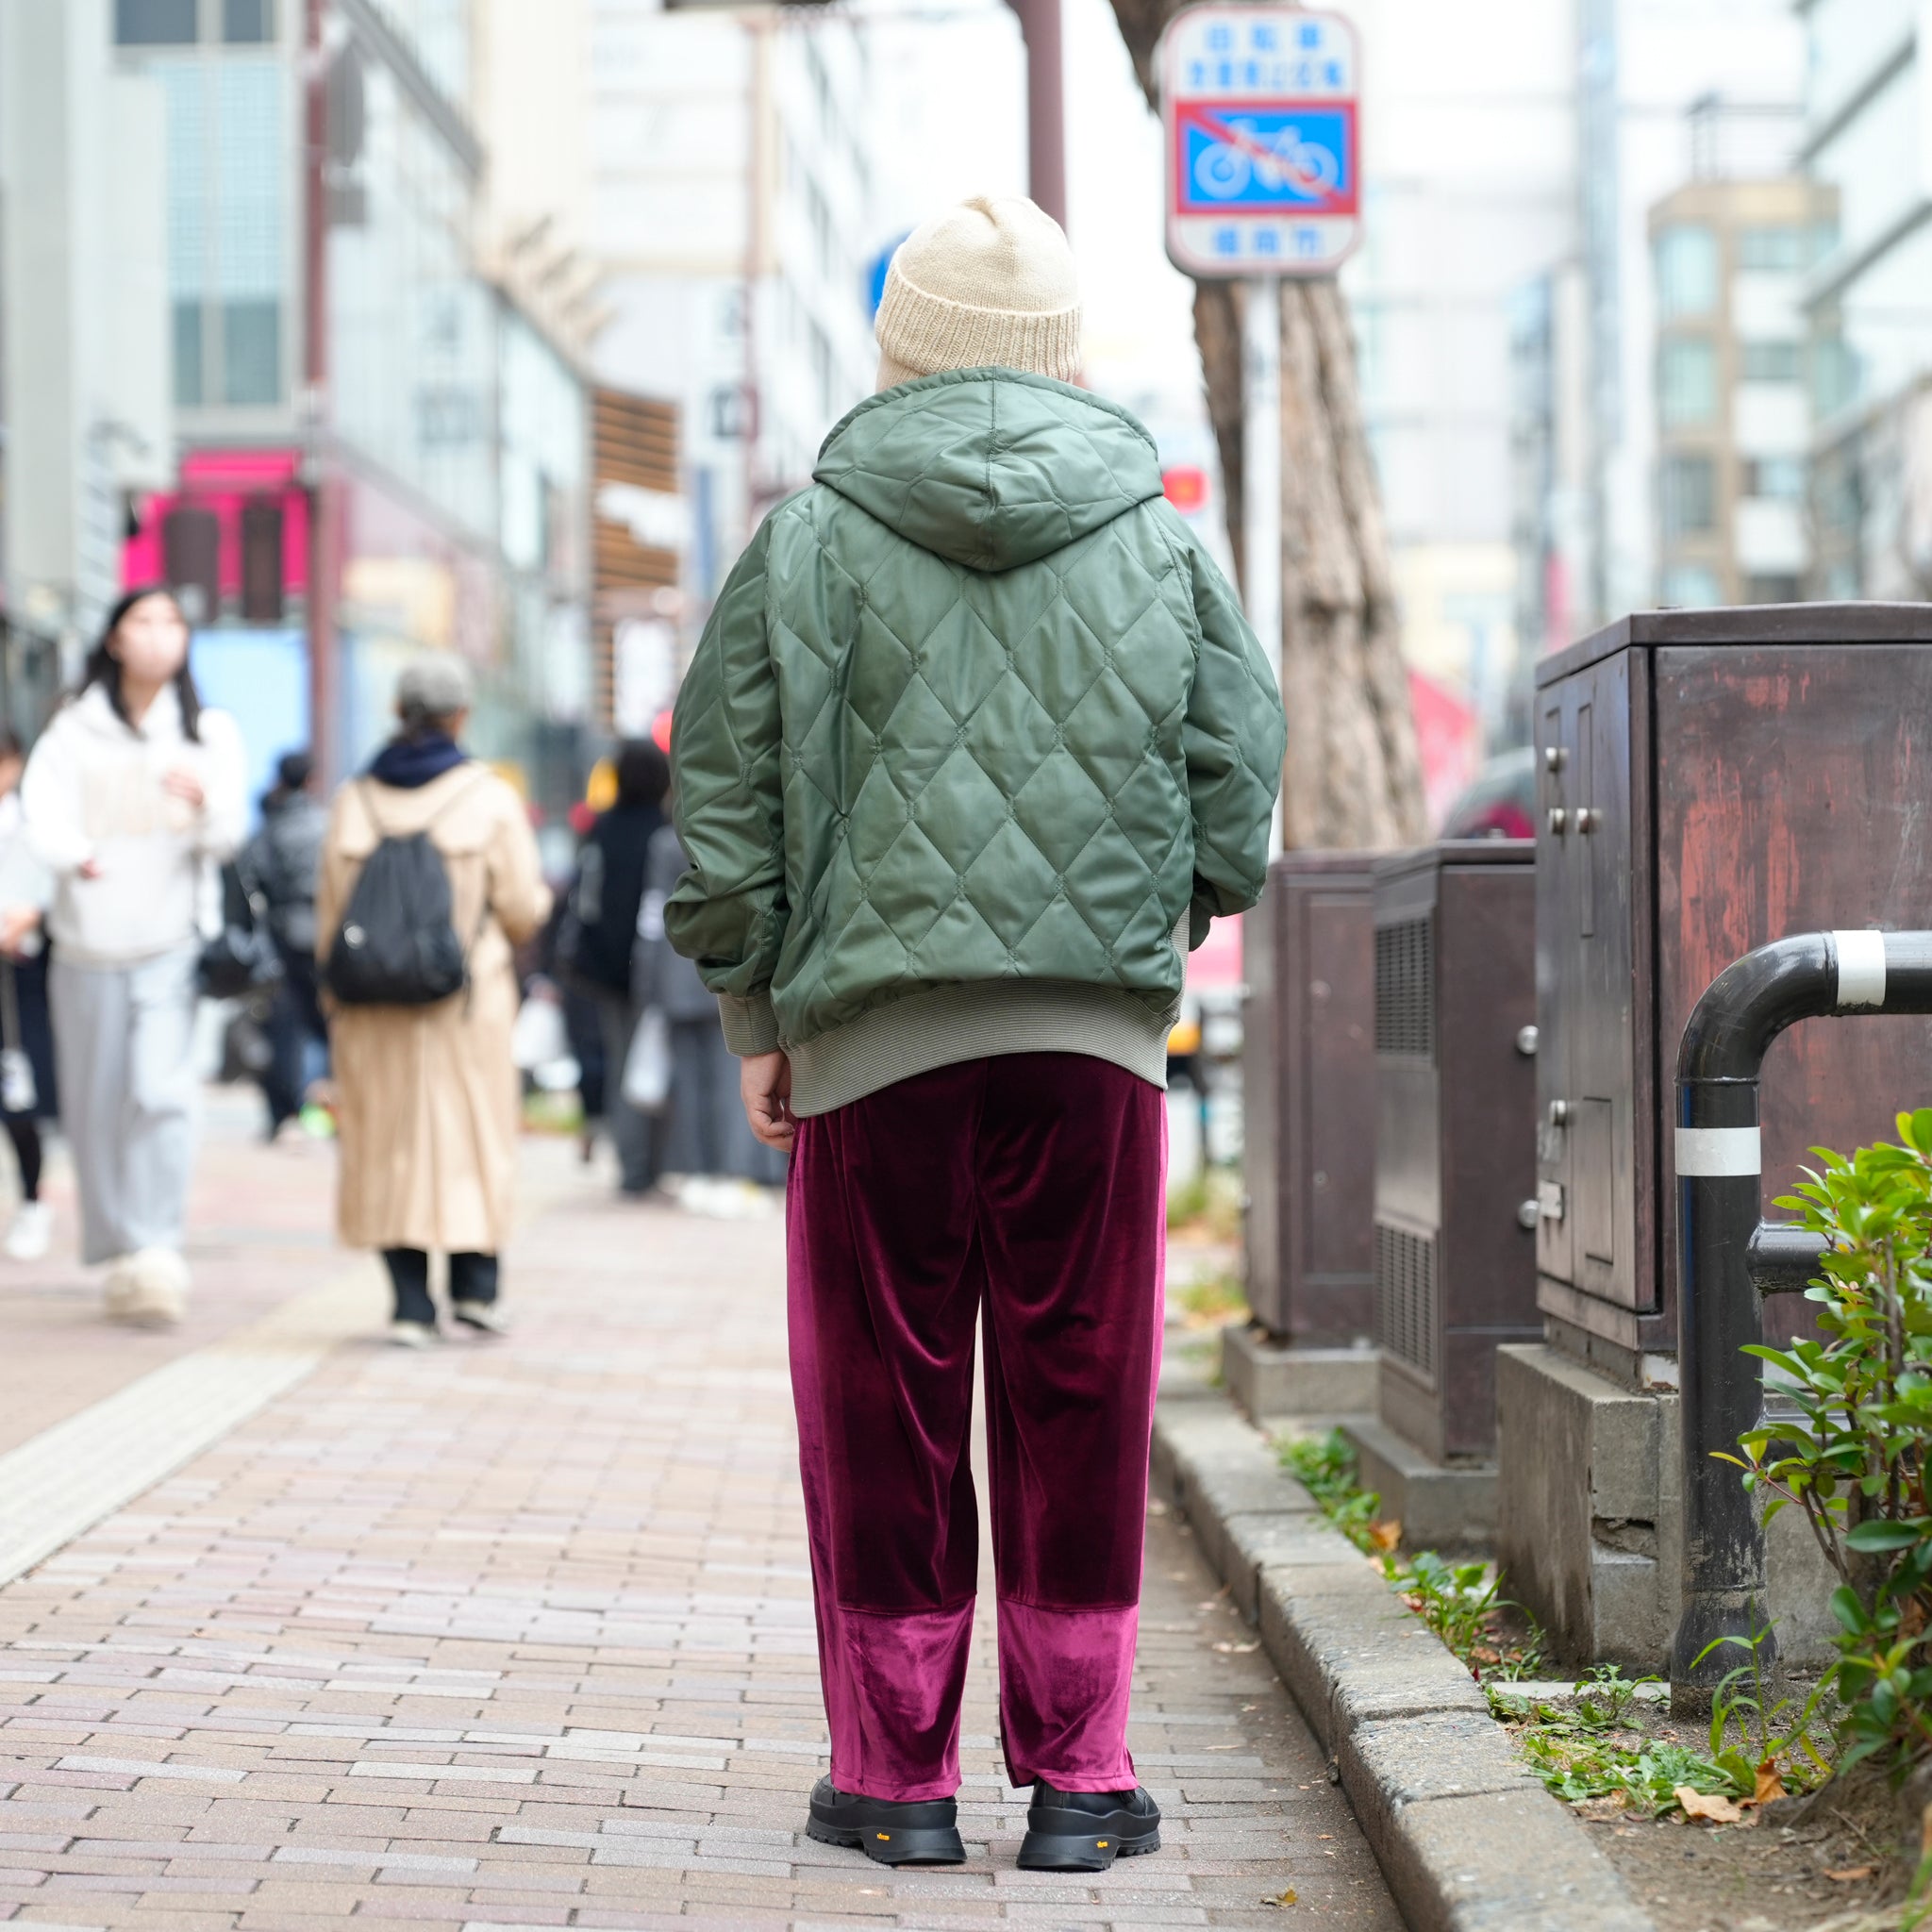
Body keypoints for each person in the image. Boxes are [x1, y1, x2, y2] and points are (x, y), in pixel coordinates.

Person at [665, 197, 1285, 1871]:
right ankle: (1081, 1777)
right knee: (1079, 1393)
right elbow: (1237, 769)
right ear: (1061, 352)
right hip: (1089, 1042)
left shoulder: (807, 536)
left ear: (900, 348)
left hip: (868, 1040)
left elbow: (721, 788)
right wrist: (1172, 908)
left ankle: (896, 1778)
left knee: (885, 1405)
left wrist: (751, 1003)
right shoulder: (1155, 535)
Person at [21, 585, 247, 1324]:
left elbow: (229, 835)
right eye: (143, 621)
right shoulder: (72, 731)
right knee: (94, 1105)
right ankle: (118, 1248)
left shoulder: (207, 732)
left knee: (161, 1092)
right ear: (114, 639)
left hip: (169, 939)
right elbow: (40, 816)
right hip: (86, 943)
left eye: (173, 622)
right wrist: (76, 854)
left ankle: (156, 1251)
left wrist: (206, 801)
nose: (159, 635)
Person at [317, 656, 551, 1347]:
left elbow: (329, 917)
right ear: (462, 715)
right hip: (464, 1003)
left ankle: (410, 1304)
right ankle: (477, 1290)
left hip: (369, 1007)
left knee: (383, 1139)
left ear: (397, 712)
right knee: (472, 1134)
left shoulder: (353, 799)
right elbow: (521, 908)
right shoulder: (488, 796)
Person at [635, 817, 785, 1187]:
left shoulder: (664, 842)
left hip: (675, 978)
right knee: (733, 1080)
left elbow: (653, 916)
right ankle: (739, 1169)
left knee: (688, 1084)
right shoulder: (736, 833)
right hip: (729, 972)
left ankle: (698, 1171)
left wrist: (647, 982)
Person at [561, 740, 671, 1194]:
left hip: (607, 968)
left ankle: (632, 1167)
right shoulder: (667, 831)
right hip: (659, 967)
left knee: (624, 1062)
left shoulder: (601, 829)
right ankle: (655, 1164)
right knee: (662, 1063)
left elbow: (584, 899)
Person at [241, 749, 329, 1139]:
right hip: (327, 937)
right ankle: (333, 1107)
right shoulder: (326, 825)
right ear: (311, 780)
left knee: (284, 1031)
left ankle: (286, 1115)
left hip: (281, 941)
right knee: (332, 1027)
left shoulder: (267, 831)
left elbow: (250, 883)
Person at [0, 731, 58, 1260]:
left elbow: (55, 890)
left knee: (19, 1096)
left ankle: (34, 1201)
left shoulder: (35, 823)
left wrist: (30, 918)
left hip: (16, 978)